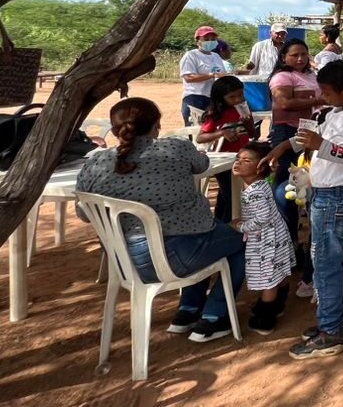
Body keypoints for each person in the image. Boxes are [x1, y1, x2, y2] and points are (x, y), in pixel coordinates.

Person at [76, 98, 245, 343]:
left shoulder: (95, 163)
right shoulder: (175, 148)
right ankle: (213, 316)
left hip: (124, 262)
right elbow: (202, 164)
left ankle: (188, 311)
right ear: (157, 126)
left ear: (113, 130)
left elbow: (84, 213)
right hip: (177, 256)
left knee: (208, 234)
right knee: (245, 238)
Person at [264, 61, 343, 358]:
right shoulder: (337, 111)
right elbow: (312, 137)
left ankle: (329, 332)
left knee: (325, 265)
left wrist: (322, 145)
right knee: (336, 262)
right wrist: (284, 146)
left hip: (334, 198)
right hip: (327, 196)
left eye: (326, 92)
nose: (322, 97)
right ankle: (340, 321)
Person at [267, 38, 325, 297]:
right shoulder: (282, 78)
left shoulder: (310, 75)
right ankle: (289, 243)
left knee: (301, 184)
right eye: (294, 55)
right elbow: (284, 104)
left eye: (304, 54)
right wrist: (318, 99)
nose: (300, 58)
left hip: (308, 133)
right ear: (284, 57)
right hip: (288, 134)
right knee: (286, 189)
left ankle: (299, 245)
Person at [231, 142, 294, 335]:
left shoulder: (255, 192)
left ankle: (266, 318)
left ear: (260, 167)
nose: (238, 163)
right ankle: (278, 303)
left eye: (246, 161)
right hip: (276, 236)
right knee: (278, 271)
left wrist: (240, 226)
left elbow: (262, 219)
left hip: (266, 241)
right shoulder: (260, 184)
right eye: (238, 159)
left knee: (268, 279)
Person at [196, 76, 256, 223]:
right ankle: (229, 224)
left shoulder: (243, 108)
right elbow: (200, 138)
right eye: (232, 97)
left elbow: (252, 134)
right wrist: (222, 133)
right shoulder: (214, 114)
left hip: (241, 158)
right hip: (224, 161)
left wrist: (248, 122)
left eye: (240, 95)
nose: (237, 99)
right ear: (221, 98)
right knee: (231, 196)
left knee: (227, 195)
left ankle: (220, 222)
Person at [179, 25, 227, 125]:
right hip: (195, 98)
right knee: (195, 129)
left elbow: (222, 74)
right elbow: (188, 77)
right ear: (198, 41)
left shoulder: (216, 56)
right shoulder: (191, 55)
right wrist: (212, 75)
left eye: (213, 39)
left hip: (212, 99)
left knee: (211, 128)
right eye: (206, 39)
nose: (210, 41)